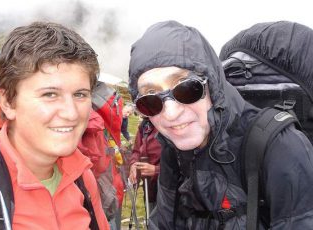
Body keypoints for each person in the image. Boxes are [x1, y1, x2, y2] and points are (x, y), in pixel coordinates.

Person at [128, 20, 313, 229]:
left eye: (187, 89)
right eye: (150, 101)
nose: (170, 114)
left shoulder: (282, 147)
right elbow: (163, 222)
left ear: (213, 85)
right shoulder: (174, 151)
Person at [0, 22, 109, 229]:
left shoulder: (81, 175)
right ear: (8, 101)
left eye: (80, 94)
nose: (71, 113)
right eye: (50, 94)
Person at [128, 118, 161, 212]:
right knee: (151, 220)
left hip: (170, 192)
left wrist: (157, 170)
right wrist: (134, 164)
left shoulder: (172, 125)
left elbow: (183, 162)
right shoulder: (145, 125)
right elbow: (137, 150)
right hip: (149, 188)